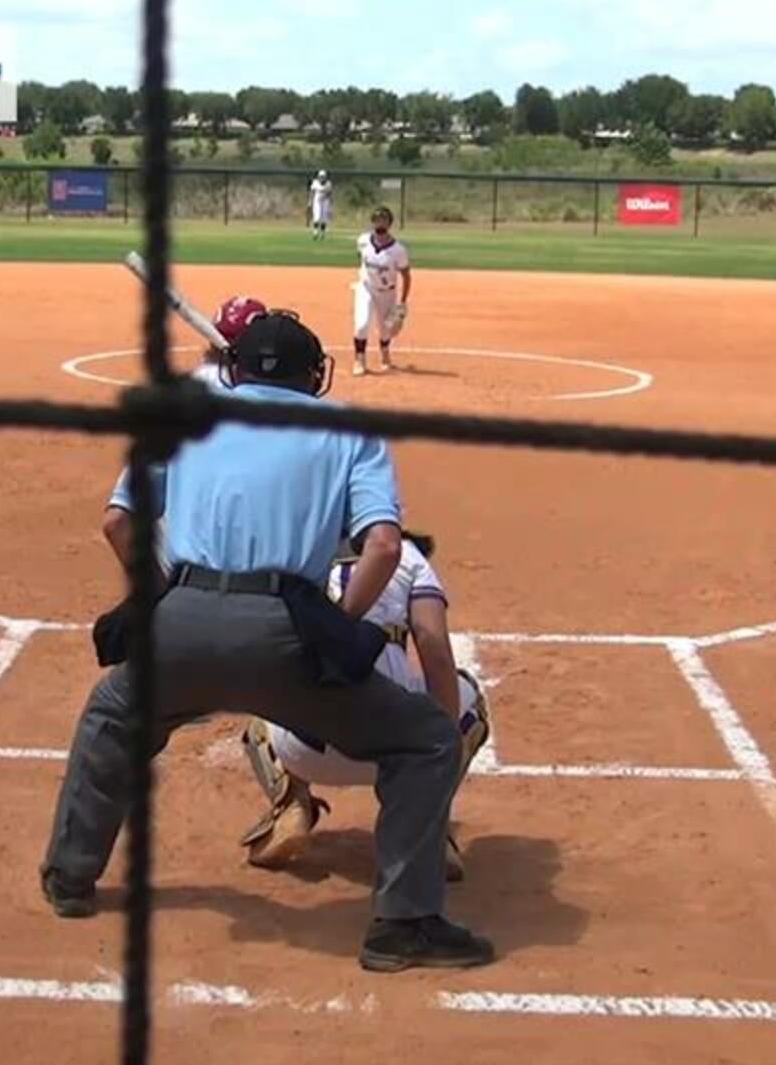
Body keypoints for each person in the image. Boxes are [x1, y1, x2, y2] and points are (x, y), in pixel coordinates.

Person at [45, 311, 495, 973]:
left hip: (181, 618)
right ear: (315, 375)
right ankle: (403, 922)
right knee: (426, 740)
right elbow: (384, 545)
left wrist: (166, 592)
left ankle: (70, 877)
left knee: (113, 718)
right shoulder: (345, 429)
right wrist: (339, 622)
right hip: (285, 627)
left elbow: (118, 524)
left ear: (235, 368)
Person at [238, 529, 490, 882]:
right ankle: (428, 825)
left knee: (264, 692)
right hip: (401, 755)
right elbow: (435, 653)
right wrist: (438, 754)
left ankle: (290, 803)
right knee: (469, 698)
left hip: (306, 752)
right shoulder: (406, 555)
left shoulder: (294, 550)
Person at [351, 206, 410, 377]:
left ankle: (385, 352)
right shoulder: (363, 241)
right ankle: (359, 360)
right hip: (366, 288)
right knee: (361, 324)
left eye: (383, 222)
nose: (380, 226)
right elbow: (361, 260)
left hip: (387, 293)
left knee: (386, 330)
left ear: (389, 225)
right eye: (377, 221)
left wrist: (402, 302)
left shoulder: (398, 250)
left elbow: (406, 276)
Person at [309, 169, 333, 240]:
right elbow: (312, 192)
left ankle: (322, 234)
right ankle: (315, 233)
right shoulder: (315, 183)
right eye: (321, 176)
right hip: (317, 201)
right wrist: (310, 201)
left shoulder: (328, 183)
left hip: (325, 201)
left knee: (324, 219)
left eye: (323, 176)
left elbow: (330, 193)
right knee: (317, 217)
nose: (322, 178)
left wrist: (330, 201)